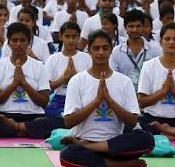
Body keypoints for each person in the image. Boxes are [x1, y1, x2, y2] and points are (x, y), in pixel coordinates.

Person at [59, 30, 154, 167]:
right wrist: (96, 101)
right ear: (89, 51)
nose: (101, 52)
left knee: (147, 139)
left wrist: (109, 100)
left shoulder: (124, 81)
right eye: (96, 48)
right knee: (67, 155)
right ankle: (123, 166)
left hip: (116, 145)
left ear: (111, 50)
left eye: (105, 48)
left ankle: (91, 149)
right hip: (85, 140)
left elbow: (132, 122)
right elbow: (68, 122)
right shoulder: (77, 81)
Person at [0, 22, 53, 139]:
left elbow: (44, 102)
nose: (18, 44)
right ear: (8, 43)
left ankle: (16, 128)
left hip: (33, 116)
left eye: (22, 40)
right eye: (14, 40)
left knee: (59, 123)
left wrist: (25, 84)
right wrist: (13, 85)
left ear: (28, 42)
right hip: (6, 116)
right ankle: (25, 131)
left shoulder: (39, 66)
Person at [44, 22, 92, 117]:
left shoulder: (87, 58)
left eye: (74, 37)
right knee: (46, 110)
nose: (71, 40)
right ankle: (67, 115)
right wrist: (64, 79)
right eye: (67, 36)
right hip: (59, 99)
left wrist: (75, 78)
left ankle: (67, 116)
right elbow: (47, 87)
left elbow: (91, 85)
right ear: (61, 37)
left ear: (79, 37)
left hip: (81, 99)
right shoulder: (53, 59)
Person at [137, 22, 175, 136]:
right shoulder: (149, 66)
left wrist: (173, 91)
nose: (171, 42)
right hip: (152, 120)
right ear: (160, 41)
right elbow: (142, 102)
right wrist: (163, 92)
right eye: (167, 39)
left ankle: (169, 131)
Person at [110, 9, 161, 89]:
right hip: (124, 95)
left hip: (149, 95)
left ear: (143, 27)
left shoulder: (155, 49)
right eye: (131, 26)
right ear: (125, 27)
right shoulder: (116, 52)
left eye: (138, 26)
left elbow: (159, 75)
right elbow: (113, 78)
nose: (134, 30)